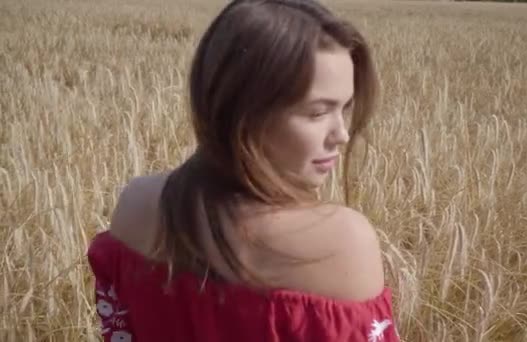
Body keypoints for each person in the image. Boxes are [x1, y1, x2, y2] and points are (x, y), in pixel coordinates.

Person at [87, 0, 399, 341]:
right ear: (243, 113)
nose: (341, 134)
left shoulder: (135, 204)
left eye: (345, 108)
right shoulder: (344, 243)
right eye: (317, 113)